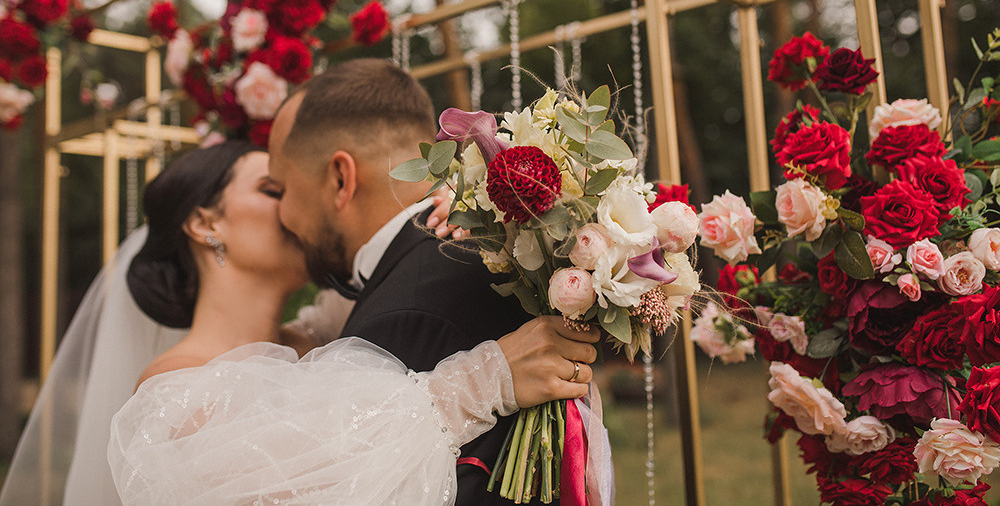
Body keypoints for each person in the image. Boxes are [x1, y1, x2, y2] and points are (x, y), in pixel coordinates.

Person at [2, 141, 597, 505]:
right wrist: (483, 382)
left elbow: (380, 254)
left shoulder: (327, 333)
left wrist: (443, 215)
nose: (296, 206)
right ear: (206, 223)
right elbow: (317, 475)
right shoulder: (171, 384)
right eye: (273, 189)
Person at [268, 58, 594, 505]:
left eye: (281, 188)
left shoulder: (404, 319)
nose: (280, 214)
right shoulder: (488, 252)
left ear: (341, 178)